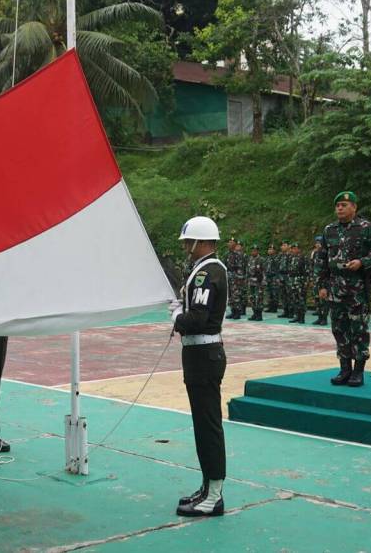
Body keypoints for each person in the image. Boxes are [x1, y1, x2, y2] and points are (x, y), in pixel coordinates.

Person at [169, 216, 228, 517]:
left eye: (188, 242)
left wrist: (177, 315)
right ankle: (208, 487)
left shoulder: (208, 273)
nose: (186, 248)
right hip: (199, 355)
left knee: (208, 426)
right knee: (202, 426)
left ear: (201, 241)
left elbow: (198, 320)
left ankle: (214, 494)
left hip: (204, 354)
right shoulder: (202, 270)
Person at [316, 192, 371, 387]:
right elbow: (321, 259)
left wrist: (362, 262)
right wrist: (321, 285)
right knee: (339, 329)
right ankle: (344, 368)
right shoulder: (329, 230)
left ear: (354, 207)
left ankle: (358, 370)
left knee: (358, 330)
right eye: (337, 205)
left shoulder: (366, 228)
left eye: (344, 205)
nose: (340, 208)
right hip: (335, 288)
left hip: (357, 289)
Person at [311, 236, 330, 326]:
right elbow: (313, 267)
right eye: (316, 242)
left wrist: (325, 283)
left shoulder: (326, 253)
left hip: (324, 280)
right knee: (317, 300)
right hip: (316, 280)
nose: (317, 244)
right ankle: (319, 317)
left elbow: (328, 269)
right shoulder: (315, 253)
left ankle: (324, 318)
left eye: (319, 242)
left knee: (324, 300)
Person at [246, 244, 266, 321]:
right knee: (252, 298)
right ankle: (254, 313)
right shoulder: (250, 259)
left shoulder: (261, 259)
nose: (253, 252)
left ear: (257, 251)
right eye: (252, 250)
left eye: (255, 250)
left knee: (259, 298)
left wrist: (263, 282)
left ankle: (259, 315)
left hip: (259, 282)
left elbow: (264, 271)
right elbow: (247, 270)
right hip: (251, 282)